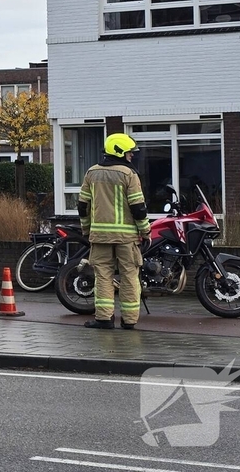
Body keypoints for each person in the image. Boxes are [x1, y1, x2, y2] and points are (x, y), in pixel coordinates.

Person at [78, 132, 150, 330]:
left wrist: (86, 229)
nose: (132, 155)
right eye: (129, 152)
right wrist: (146, 232)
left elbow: (83, 205)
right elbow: (138, 208)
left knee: (103, 276)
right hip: (127, 238)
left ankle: (104, 319)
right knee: (129, 276)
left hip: (100, 236)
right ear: (119, 151)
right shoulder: (129, 174)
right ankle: (129, 320)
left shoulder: (91, 173)